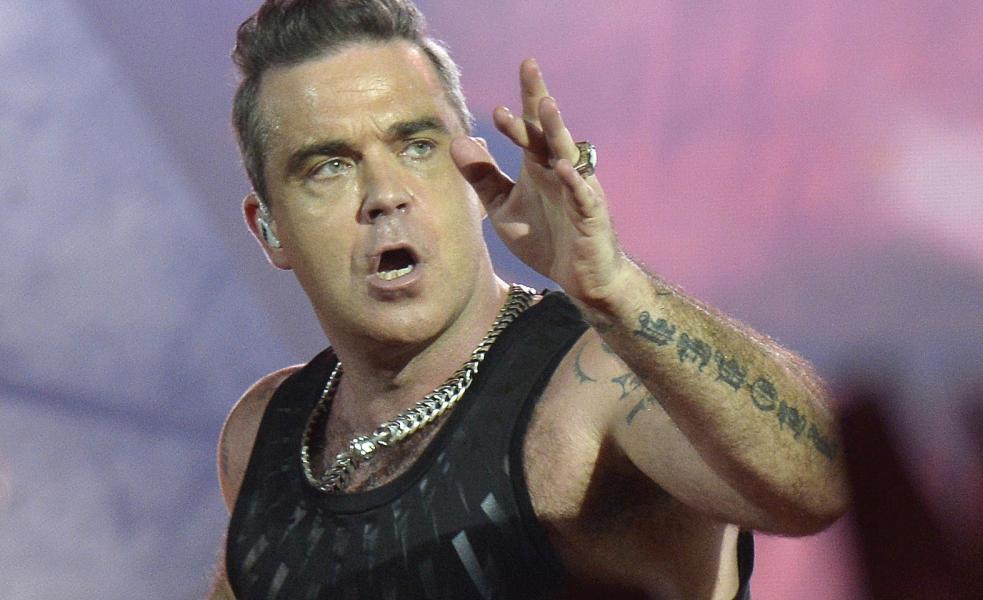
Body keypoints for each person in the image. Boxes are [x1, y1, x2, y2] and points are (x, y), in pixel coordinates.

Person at [210, 1, 848, 598]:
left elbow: (825, 484)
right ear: (270, 229)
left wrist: (618, 289)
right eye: (329, 166)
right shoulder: (266, 432)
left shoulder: (594, 387)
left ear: (472, 175)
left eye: (418, 146)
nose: (385, 194)